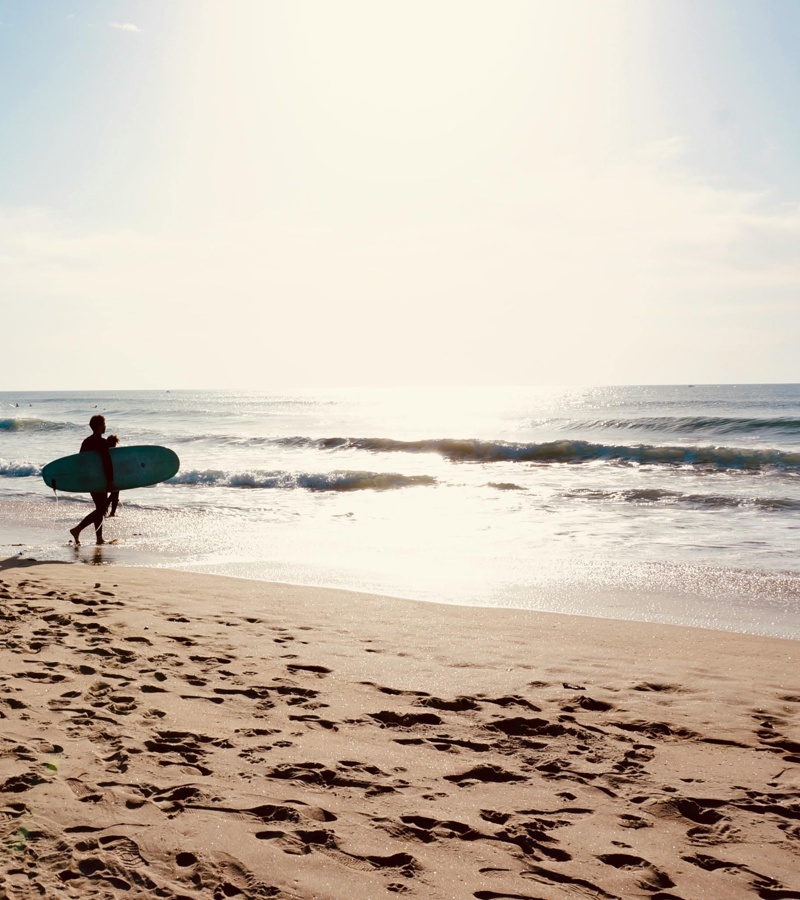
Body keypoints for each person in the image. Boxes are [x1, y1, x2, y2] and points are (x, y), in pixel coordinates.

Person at [69, 415, 116, 546]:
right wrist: (111, 480)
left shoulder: (86, 441)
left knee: (99, 508)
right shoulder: (102, 442)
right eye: (104, 424)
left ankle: (99, 538)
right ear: (100, 426)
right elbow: (107, 462)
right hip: (101, 480)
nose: (105, 426)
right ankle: (77, 529)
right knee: (101, 510)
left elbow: (80, 461)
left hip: (90, 480)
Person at [105, 434, 121, 517]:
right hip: (111, 475)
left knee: (115, 494)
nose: (114, 445)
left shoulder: (108, 451)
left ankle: (110, 511)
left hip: (112, 475)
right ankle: (111, 511)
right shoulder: (108, 452)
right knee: (115, 494)